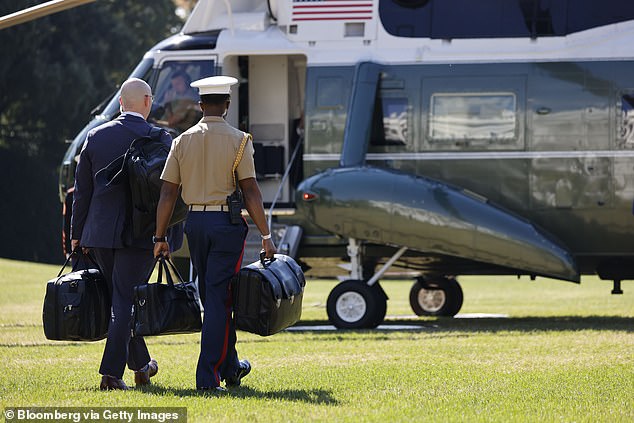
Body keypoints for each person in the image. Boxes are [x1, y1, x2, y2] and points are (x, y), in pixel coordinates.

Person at [153, 75, 276, 391]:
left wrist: (160, 237)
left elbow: (167, 194)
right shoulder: (239, 140)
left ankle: (231, 367)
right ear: (227, 105)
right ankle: (208, 376)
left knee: (214, 296)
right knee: (220, 299)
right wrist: (265, 234)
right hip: (226, 226)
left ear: (200, 105)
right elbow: (251, 191)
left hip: (195, 224)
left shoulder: (182, 140)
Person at [71, 78, 177, 391]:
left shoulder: (95, 136)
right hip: (141, 233)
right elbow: (170, 192)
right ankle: (110, 375)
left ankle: (142, 367)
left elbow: (82, 193)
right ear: (148, 102)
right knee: (125, 301)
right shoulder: (160, 138)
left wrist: (77, 235)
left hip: (99, 233)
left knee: (121, 299)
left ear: (120, 103)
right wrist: (166, 234)